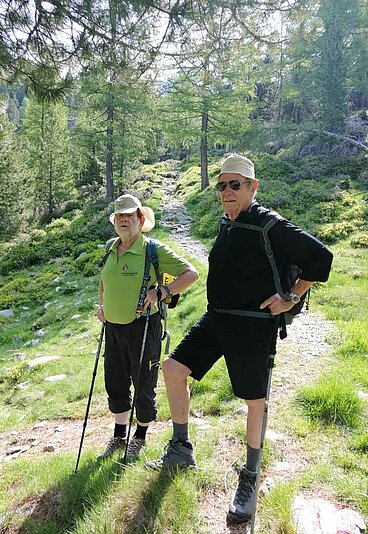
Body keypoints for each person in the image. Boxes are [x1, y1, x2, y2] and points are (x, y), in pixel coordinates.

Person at [146, 154, 333, 524]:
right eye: (222, 185)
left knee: (254, 401)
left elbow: (320, 258)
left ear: (252, 187)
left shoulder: (269, 224)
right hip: (217, 319)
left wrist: (291, 297)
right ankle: (181, 447)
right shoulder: (226, 222)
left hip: (251, 325)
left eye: (235, 184)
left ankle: (250, 476)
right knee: (172, 368)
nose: (227, 192)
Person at [96, 193, 198, 461]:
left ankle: (139, 437)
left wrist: (163, 291)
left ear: (141, 219)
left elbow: (191, 273)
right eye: (120, 216)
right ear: (114, 221)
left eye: (130, 215)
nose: (124, 220)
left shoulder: (153, 249)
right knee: (115, 381)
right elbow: (104, 280)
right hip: (113, 329)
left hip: (143, 326)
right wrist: (102, 306)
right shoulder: (110, 247)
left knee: (143, 382)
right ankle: (119, 436)